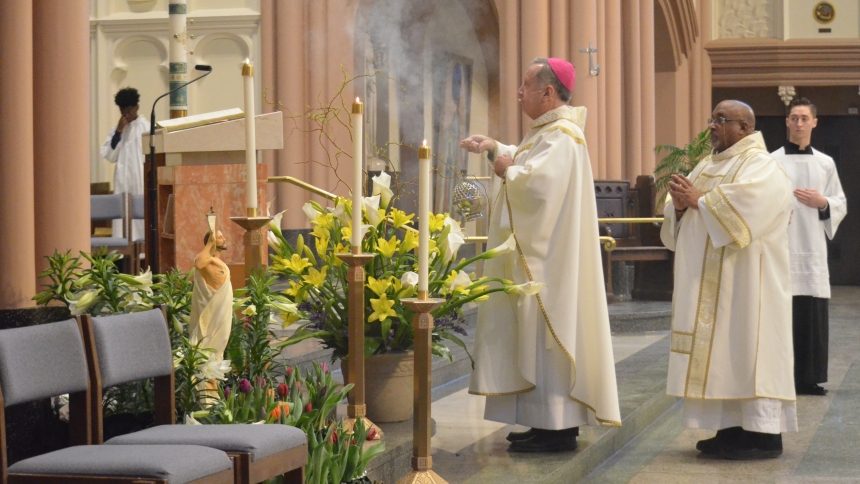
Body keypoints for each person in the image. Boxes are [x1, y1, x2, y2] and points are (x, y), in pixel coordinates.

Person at [461, 57, 621, 453]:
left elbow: (539, 187)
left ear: (547, 92)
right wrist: (496, 149)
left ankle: (559, 428)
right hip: (541, 258)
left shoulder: (563, 136)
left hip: (551, 262)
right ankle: (543, 423)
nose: (519, 92)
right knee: (535, 340)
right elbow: (527, 163)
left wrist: (507, 171)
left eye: (525, 85)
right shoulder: (547, 133)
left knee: (549, 338)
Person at [662, 100, 796, 460]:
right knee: (724, 355)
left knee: (749, 351)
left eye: (721, 120)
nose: (712, 126)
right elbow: (686, 208)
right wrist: (679, 206)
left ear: (745, 128)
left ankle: (764, 436)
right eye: (712, 119)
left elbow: (750, 208)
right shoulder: (707, 164)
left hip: (748, 285)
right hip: (712, 286)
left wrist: (699, 200)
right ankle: (730, 430)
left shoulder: (761, 165)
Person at [771, 97, 847, 396]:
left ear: (814, 122)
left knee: (811, 315)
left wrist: (822, 202)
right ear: (787, 122)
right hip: (781, 247)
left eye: (804, 118)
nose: (799, 123)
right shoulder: (772, 161)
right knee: (783, 315)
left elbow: (839, 201)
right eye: (794, 118)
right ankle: (781, 379)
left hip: (812, 247)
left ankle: (810, 379)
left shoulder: (825, 163)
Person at [100, 87, 150, 241]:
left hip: (140, 179)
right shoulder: (117, 129)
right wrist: (119, 131)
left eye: (129, 111)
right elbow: (110, 155)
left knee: (140, 219)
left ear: (136, 108)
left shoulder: (146, 127)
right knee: (122, 218)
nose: (126, 115)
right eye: (123, 111)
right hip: (122, 181)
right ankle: (122, 250)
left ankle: (142, 251)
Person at [190, 230, 233, 374]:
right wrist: (209, 245)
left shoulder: (217, 262)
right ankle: (205, 380)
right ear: (212, 241)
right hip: (211, 314)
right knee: (207, 347)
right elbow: (198, 263)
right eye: (220, 237)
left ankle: (213, 380)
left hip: (222, 314)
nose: (224, 239)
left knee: (219, 346)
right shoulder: (205, 260)